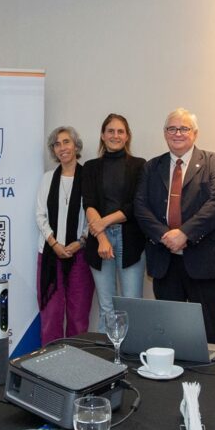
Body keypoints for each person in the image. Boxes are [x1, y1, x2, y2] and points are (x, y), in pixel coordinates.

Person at [134, 108, 215, 344]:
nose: (177, 133)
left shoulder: (214, 162)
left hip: (205, 261)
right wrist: (165, 235)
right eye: (172, 128)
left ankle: (210, 370)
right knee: (169, 333)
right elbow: (140, 207)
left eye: (184, 128)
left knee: (208, 333)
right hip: (164, 261)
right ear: (164, 133)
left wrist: (185, 233)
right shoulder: (151, 167)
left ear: (195, 133)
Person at [81, 114, 146, 330]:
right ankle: (107, 351)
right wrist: (101, 237)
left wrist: (104, 222)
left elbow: (136, 205)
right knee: (106, 307)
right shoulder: (90, 167)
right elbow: (89, 204)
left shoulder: (139, 165)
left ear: (127, 136)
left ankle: (132, 352)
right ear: (102, 135)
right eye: (110, 131)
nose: (115, 135)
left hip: (131, 241)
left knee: (131, 304)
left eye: (120, 131)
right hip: (99, 241)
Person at [35, 127, 95, 345]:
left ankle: (75, 361)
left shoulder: (88, 177)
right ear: (53, 150)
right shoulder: (48, 178)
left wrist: (80, 242)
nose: (62, 148)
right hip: (50, 254)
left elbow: (93, 215)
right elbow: (40, 215)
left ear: (76, 146)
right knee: (51, 315)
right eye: (57, 144)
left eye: (66, 142)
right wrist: (54, 243)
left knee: (78, 315)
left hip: (80, 255)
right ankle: (51, 360)